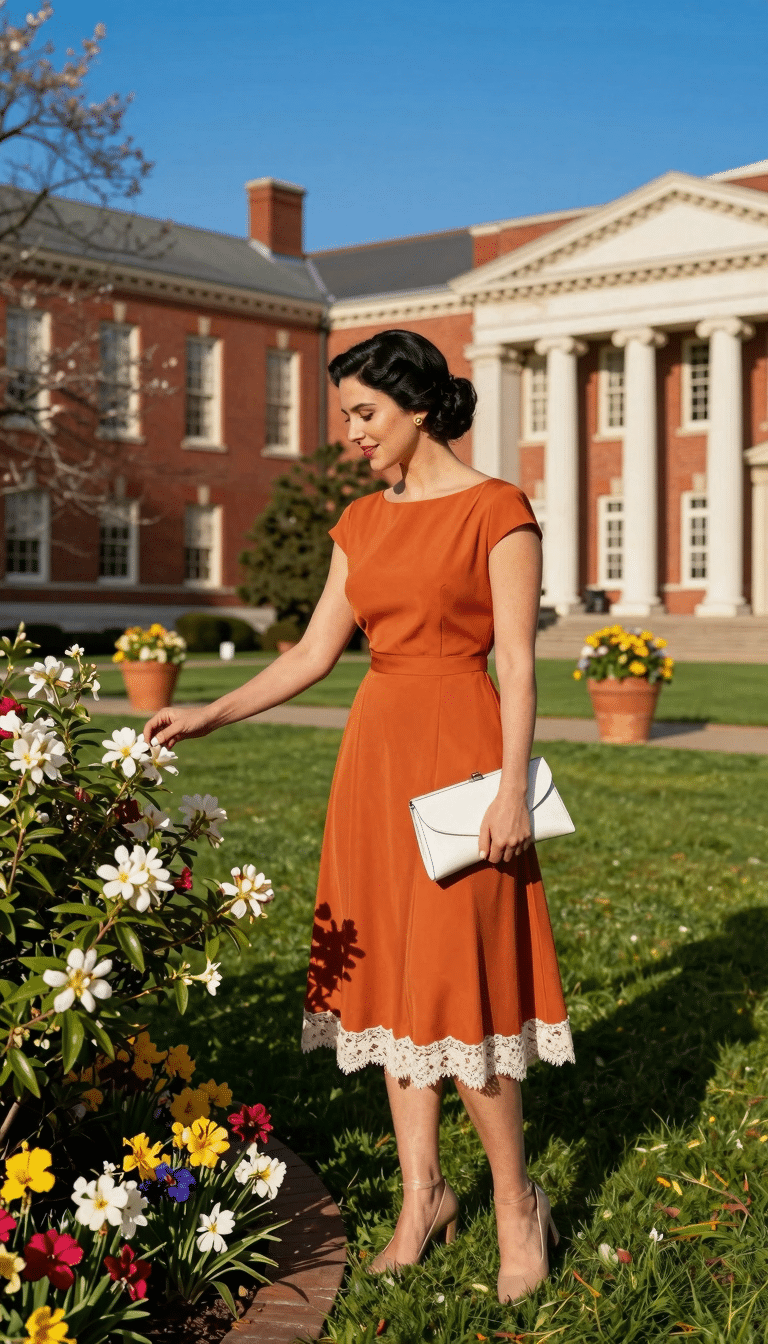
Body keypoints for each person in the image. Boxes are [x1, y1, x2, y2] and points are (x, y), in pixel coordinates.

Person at [142, 328, 576, 1305]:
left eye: (364, 414)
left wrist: (512, 787)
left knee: (460, 986)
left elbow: (518, 662)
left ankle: (517, 1203)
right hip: (374, 762)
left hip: (466, 757)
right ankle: (422, 1196)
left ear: (419, 407)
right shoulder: (360, 522)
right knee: (388, 984)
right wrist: (210, 713)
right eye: (345, 417)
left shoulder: (498, 510)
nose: (351, 433)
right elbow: (309, 655)